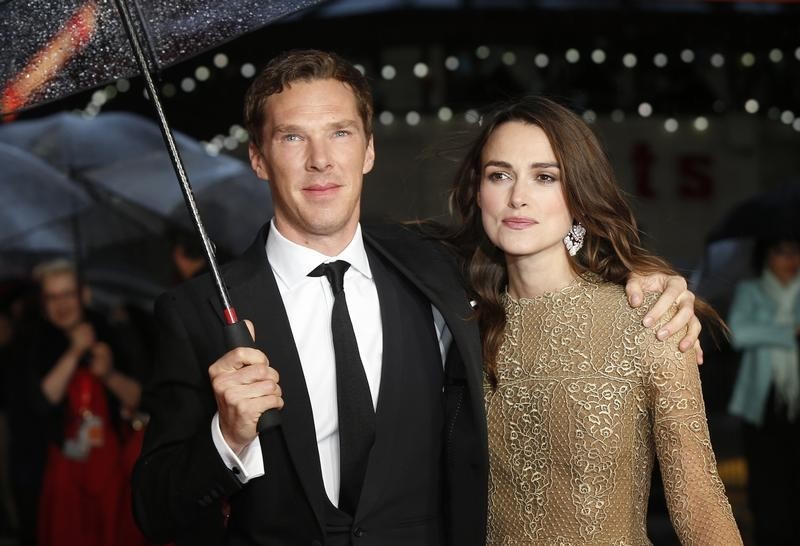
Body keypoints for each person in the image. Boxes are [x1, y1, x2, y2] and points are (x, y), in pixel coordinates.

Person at [132, 50, 702, 546]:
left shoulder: (435, 269)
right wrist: (227, 437)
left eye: (339, 132)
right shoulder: (198, 311)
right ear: (258, 157)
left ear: (369, 150)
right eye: (292, 137)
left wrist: (650, 280)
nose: (320, 160)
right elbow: (153, 512)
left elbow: (536, 259)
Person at [448, 96, 742, 545]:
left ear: (579, 197)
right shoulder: (458, 325)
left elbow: (699, 502)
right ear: (478, 190)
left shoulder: (649, 318)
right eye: (499, 175)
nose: (517, 197)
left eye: (545, 177)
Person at [4, 260, 142, 546]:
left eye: (68, 294)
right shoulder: (30, 344)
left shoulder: (110, 334)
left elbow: (138, 398)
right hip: (59, 472)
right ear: (43, 304)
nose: (61, 304)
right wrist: (74, 352)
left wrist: (109, 374)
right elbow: (41, 401)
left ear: (84, 295)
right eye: (52, 297)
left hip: (110, 469)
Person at [728, 237, 800, 545]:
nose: (790, 259)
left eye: (796, 251)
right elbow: (740, 333)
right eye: (782, 251)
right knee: (766, 479)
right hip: (762, 400)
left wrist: (767, 332)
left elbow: (755, 332)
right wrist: (789, 332)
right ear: (767, 256)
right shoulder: (751, 290)